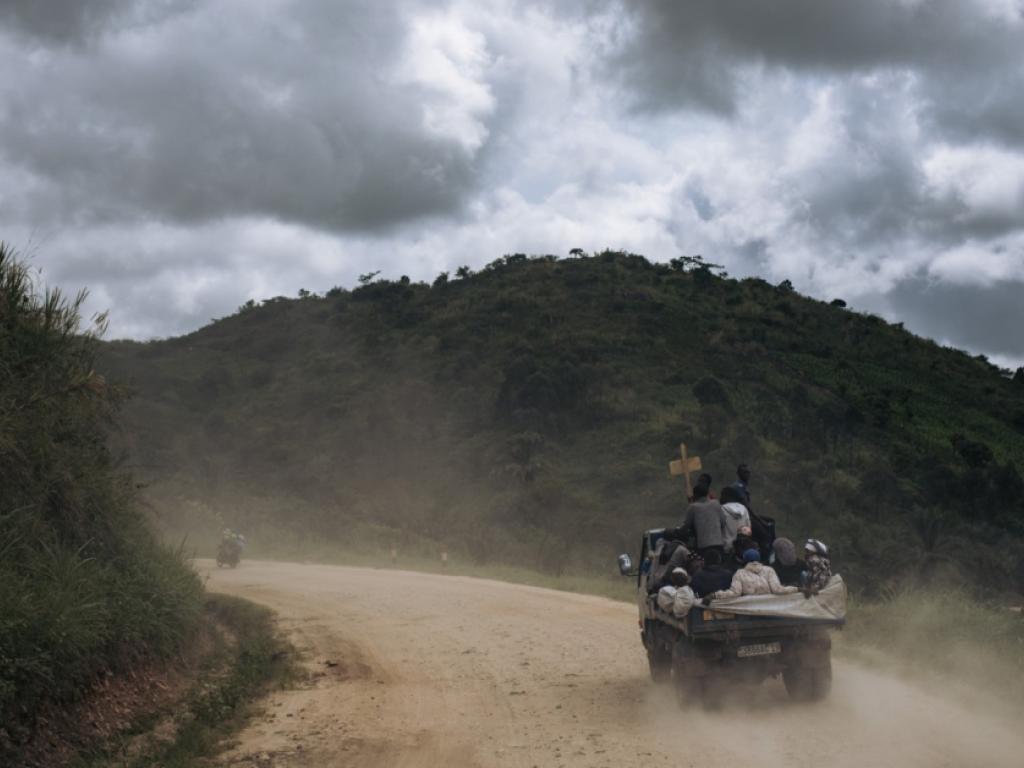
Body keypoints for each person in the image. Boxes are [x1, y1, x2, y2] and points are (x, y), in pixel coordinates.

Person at [705, 548, 799, 602]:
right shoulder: (769, 570)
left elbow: (734, 593)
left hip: (750, 613)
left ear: (744, 560)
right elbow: (778, 589)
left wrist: (714, 595)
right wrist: (797, 589)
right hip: (770, 611)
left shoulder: (740, 573)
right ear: (759, 559)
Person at [680, 481, 728, 559]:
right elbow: (723, 522)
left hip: (703, 546)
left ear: (695, 495)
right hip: (718, 544)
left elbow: (686, 526)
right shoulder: (716, 503)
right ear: (707, 494)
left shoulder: (693, 507)